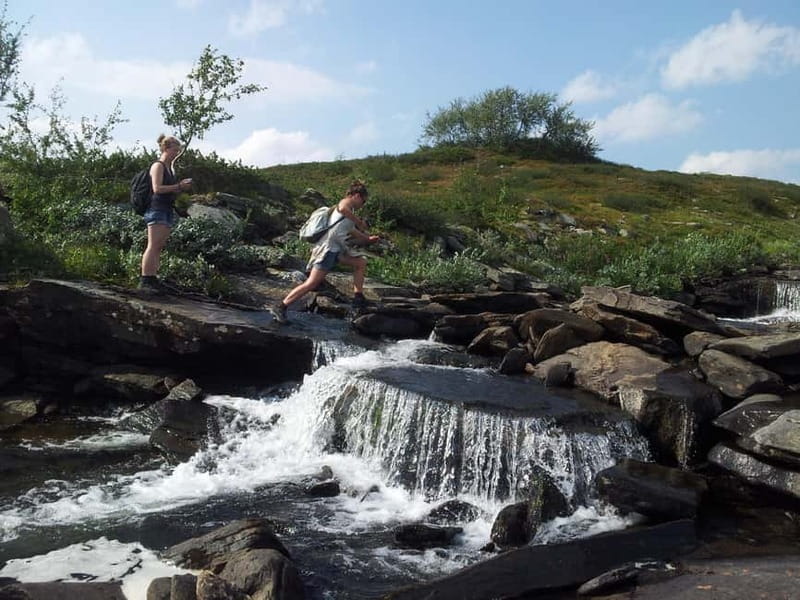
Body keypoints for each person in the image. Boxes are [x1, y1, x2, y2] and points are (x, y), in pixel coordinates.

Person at [269, 180, 380, 323]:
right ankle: (281, 306)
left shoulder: (349, 213)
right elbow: (342, 209)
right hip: (327, 249)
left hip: (337, 250)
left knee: (361, 262)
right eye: (363, 201)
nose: (362, 205)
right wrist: (359, 222)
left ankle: (358, 297)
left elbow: (351, 230)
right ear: (357, 196)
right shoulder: (345, 204)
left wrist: (368, 239)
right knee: (312, 283)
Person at [139, 134, 193, 292]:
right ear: (166, 148)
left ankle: (152, 278)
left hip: (166, 209)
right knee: (153, 245)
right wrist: (179, 187)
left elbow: (168, 189)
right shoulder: (158, 166)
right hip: (156, 208)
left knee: (158, 246)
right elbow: (157, 188)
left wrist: (180, 188)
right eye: (175, 150)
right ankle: (145, 280)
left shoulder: (170, 168)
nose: (177, 153)